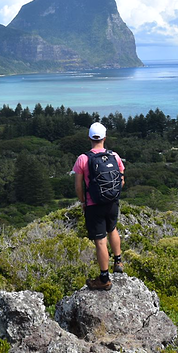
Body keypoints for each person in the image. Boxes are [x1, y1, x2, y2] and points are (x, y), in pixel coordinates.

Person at [73, 122, 125, 290]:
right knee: (113, 228)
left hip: (94, 205)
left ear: (89, 137)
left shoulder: (83, 158)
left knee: (100, 241)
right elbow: (121, 179)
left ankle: (104, 279)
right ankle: (118, 262)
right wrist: (113, 195)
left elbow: (79, 186)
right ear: (105, 137)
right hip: (112, 202)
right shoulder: (114, 156)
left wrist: (83, 201)